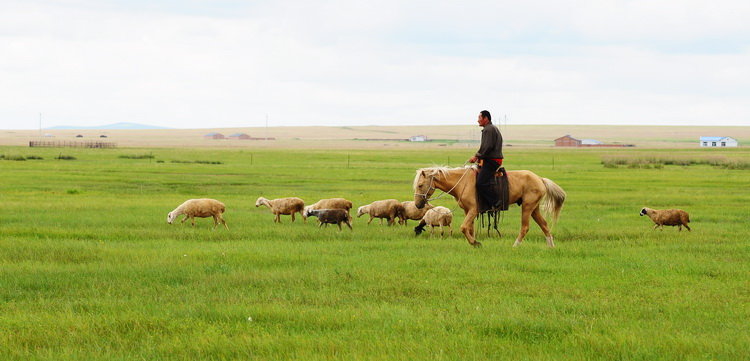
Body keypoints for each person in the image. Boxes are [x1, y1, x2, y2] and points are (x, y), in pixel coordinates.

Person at [467, 110, 503, 211]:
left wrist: (476, 156)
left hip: (492, 161)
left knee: (481, 183)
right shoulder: (490, 128)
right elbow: (485, 147)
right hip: (490, 159)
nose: (478, 120)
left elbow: (487, 147)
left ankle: (496, 202)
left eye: (479, 118)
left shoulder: (489, 130)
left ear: (486, 118)